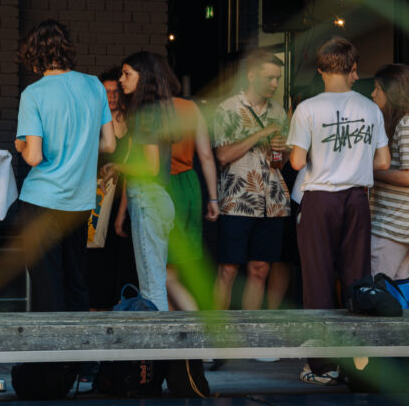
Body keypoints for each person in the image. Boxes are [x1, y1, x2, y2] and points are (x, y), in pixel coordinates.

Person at [287, 37, 390, 385]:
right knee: (358, 278)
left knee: (317, 278)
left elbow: (297, 160)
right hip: (358, 198)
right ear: (353, 70)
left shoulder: (308, 108)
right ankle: (359, 366)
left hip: (320, 197)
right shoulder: (370, 108)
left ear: (319, 69)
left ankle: (321, 365)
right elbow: (384, 161)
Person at [15, 20, 115, 313]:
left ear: (34, 54)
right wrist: (81, 147)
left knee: (47, 287)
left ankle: (49, 360)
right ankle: (80, 358)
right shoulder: (94, 85)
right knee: (75, 282)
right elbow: (109, 144)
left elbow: (33, 157)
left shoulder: (34, 94)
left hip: (43, 200)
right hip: (79, 201)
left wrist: (21, 146)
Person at [211, 49, 290, 313]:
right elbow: (222, 155)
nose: (275, 84)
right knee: (228, 269)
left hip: (273, 202)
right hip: (237, 200)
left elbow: (279, 163)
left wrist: (281, 151)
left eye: (277, 78)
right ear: (251, 75)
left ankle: (249, 338)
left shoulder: (278, 112)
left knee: (260, 270)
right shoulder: (227, 109)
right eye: (269, 78)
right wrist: (260, 134)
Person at [113, 51, 175, 312]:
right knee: (156, 280)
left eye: (127, 74)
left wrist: (117, 166)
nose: (121, 79)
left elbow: (149, 167)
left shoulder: (146, 114)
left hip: (148, 198)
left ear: (144, 76)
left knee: (152, 287)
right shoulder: (155, 110)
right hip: (157, 198)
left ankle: (161, 351)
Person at [157, 57, 219, 311]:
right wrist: (213, 198)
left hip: (165, 187)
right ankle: (180, 343)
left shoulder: (151, 111)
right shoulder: (192, 108)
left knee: (166, 271)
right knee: (176, 267)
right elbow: (205, 156)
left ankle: (199, 326)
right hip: (191, 186)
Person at [86, 67, 134, 311]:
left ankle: (121, 302)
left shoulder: (133, 121)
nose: (112, 97)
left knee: (123, 248)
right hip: (100, 192)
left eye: (115, 91)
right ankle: (97, 303)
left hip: (126, 194)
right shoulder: (93, 121)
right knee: (98, 249)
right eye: (106, 92)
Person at [369, 63, 409, 279]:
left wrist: (369, 171)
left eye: (378, 88)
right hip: (399, 227)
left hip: (393, 228)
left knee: (378, 290)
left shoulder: (406, 124)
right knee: (400, 297)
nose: (373, 94)